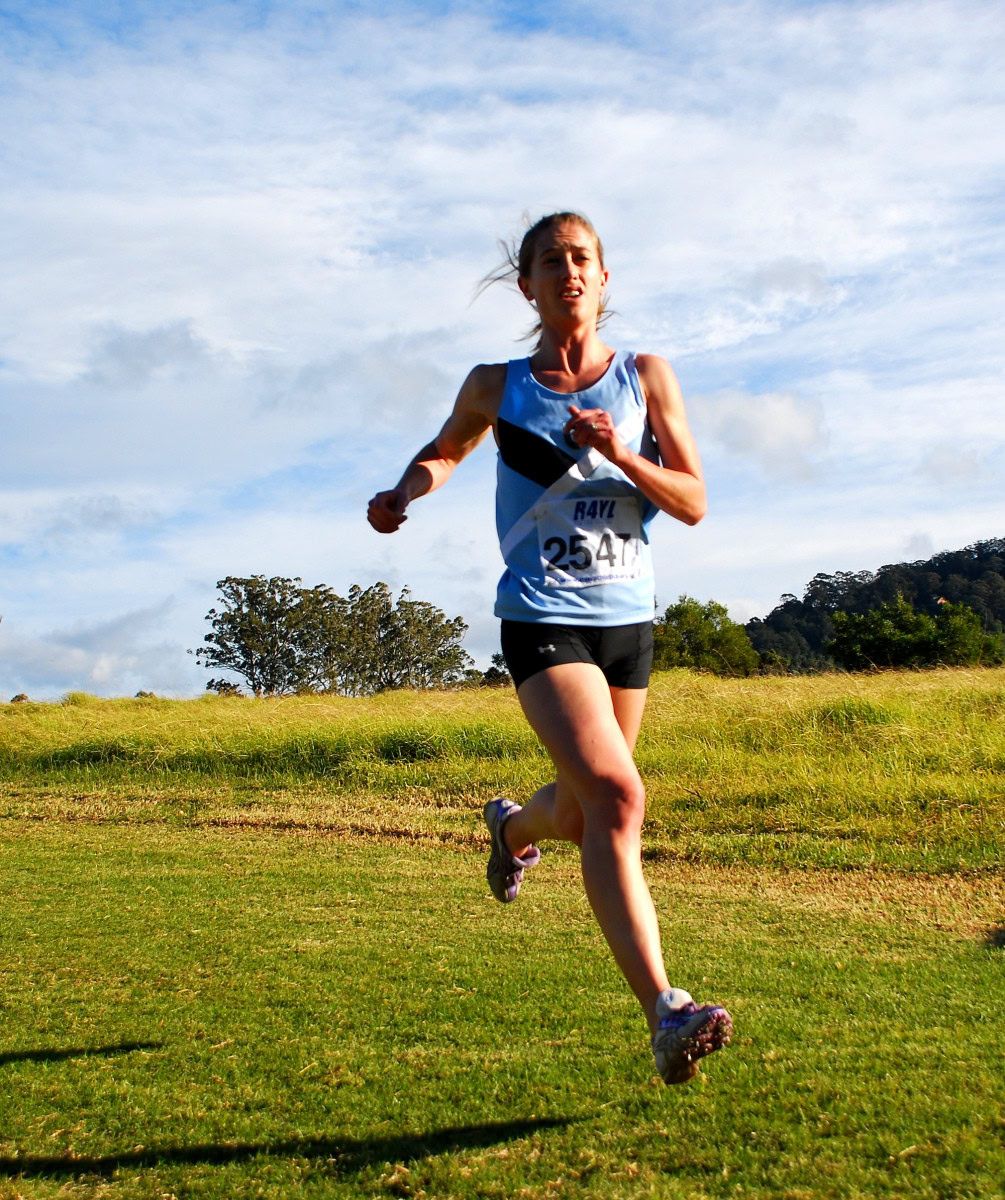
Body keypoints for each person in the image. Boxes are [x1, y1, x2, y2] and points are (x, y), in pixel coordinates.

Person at [367, 212, 732, 1084]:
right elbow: (444, 452)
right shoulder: (498, 384)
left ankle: (512, 827)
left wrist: (619, 455)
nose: (568, 272)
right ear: (526, 285)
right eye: (549, 261)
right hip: (540, 614)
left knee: (579, 815)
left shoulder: (646, 377)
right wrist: (403, 491)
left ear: (604, 279)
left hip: (627, 622)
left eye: (582, 259)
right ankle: (664, 1012)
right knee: (616, 795)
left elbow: (691, 500)